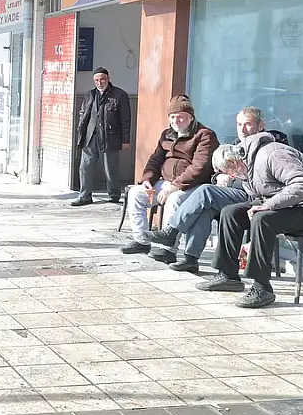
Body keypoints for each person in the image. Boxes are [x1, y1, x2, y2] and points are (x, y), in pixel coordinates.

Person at [196, 131, 303, 308]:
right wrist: (264, 205)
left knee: (262, 219)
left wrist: (268, 205)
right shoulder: (246, 164)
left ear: (234, 162)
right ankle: (227, 275)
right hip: (285, 205)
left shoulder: (273, 155)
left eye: (229, 172)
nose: (231, 177)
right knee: (230, 213)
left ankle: (262, 288)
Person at [146, 106, 285, 272]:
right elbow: (218, 169)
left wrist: (238, 177)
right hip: (239, 192)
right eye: (239, 124)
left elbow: (268, 178)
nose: (242, 129)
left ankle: (171, 232)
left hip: (260, 197)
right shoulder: (238, 144)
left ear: (261, 125)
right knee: (206, 208)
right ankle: (191, 259)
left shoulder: (272, 146)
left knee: (206, 191)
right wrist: (219, 177)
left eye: (248, 124)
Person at [120, 96, 219, 262]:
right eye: (172, 117)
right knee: (136, 193)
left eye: (181, 117)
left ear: (191, 117)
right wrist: (147, 180)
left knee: (174, 200)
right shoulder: (167, 135)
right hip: (165, 182)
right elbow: (155, 160)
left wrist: (174, 186)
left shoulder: (205, 135)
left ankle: (168, 250)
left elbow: (199, 167)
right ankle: (142, 241)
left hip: (192, 186)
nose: (176, 121)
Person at [72, 67, 131, 206]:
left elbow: (125, 119)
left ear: (108, 79)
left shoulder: (119, 95)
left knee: (110, 168)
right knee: (85, 167)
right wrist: (81, 131)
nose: (99, 83)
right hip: (90, 136)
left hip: (109, 136)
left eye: (102, 79)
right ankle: (85, 196)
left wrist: (125, 139)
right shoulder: (90, 94)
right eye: (97, 80)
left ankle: (114, 195)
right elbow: (83, 113)